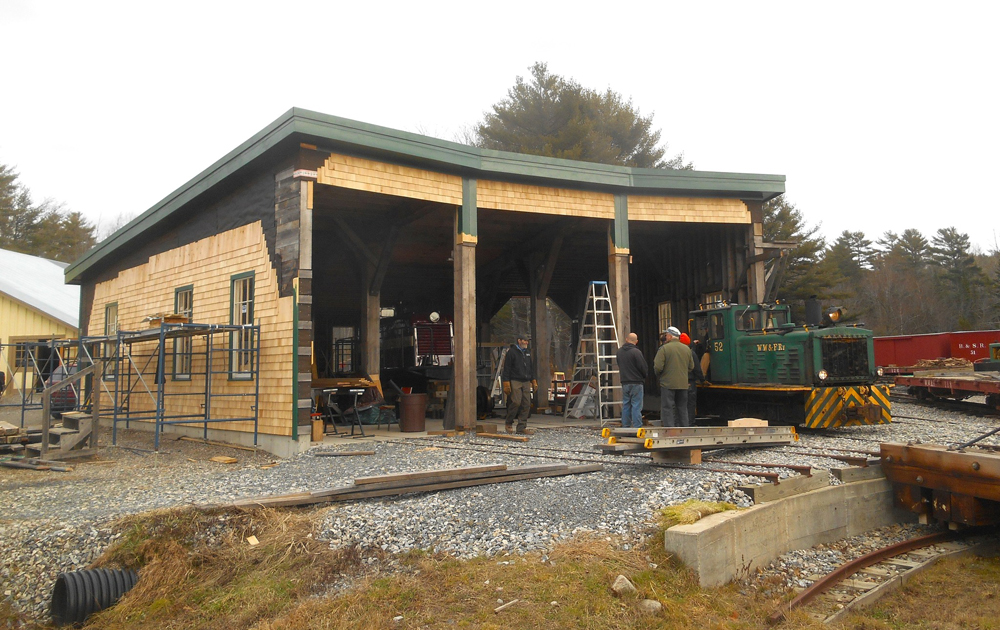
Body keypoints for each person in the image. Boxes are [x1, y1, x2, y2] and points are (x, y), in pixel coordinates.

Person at [653, 326, 694, 427]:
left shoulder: (664, 349)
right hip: (683, 384)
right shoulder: (687, 349)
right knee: (682, 408)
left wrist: (661, 375)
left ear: (670, 336)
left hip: (668, 384)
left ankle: (670, 430)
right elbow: (691, 366)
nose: (665, 337)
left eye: (666, 335)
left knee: (668, 408)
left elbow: (658, 367)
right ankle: (685, 429)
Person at [502, 334, 537, 434]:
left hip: (526, 381)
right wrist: (506, 382)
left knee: (526, 404)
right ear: (519, 340)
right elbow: (507, 368)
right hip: (515, 380)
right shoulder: (511, 353)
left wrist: (533, 380)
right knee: (516, 402)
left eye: (527, 341)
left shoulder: (527, 353)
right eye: (524, 340)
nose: (526, 342)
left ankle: (521, 427)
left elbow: (530, 368)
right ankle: (509, 422)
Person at [616, 332, 647, 429]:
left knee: (626, 404)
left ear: (626, 339)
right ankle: (637, 427)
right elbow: (643, 367)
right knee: (636, 406)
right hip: (636, 382)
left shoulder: (619, 352)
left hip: (625, 382)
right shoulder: (636, 352)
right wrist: (644, 376)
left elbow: (619, 364)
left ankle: (626, 426)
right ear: (636, 341)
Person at [679, 333, 708, 423]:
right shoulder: (691, 353)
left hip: (679, 381)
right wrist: (702, 380)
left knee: (680, 403)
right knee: (690, 404)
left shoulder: (676, 353)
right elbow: (697, 368)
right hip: (690, 381)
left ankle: (680, 423)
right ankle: (690, 422)